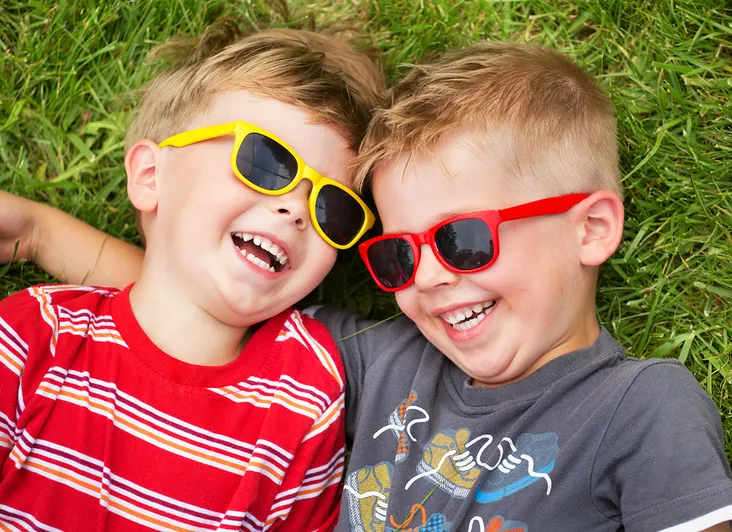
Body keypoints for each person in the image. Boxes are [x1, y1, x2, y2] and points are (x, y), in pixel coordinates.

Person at [3, 43, 731, 532]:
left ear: (591, 229)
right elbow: (192, 305)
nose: (433, 277)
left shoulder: (643, 407)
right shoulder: (375, 360)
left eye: (462, 239)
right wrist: (36, 231)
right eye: (397, 256)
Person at [0, 20, 384, 531]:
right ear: (151, 176)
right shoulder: (34, 334)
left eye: (333, 207)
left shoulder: (307, 393)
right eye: (266, 163)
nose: (296, 210)